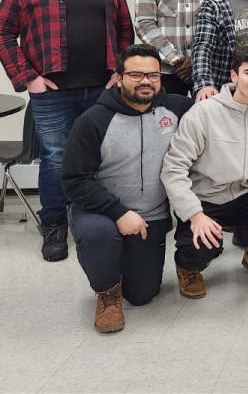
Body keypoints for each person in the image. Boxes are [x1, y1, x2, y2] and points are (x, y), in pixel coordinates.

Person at [0, 0, 134, 262]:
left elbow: (125, 29)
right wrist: (29, 78)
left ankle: (99, 218)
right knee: (56, 158)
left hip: (102, 90)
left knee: (103, 157)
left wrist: (118, 72)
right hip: (52, 94)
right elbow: (3, 33)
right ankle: (54, 224)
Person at [60, 44, 193, 333]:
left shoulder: (178, 108)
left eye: (153, 75)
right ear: (119, 78)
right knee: (99, 235)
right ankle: (107, 294)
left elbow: (223, 109)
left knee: (143, 295)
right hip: (99, 211)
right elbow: (74, 180)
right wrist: (119, 212)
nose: (146, 81)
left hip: (150, 215)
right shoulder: (93, 121)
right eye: (136, 75)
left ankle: (121, 264)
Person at [162, 46, 248, 299]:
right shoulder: (204, 112)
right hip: (207, 198)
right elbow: (174, 168)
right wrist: (195, 215)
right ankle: (188, 267)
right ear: (234, 76)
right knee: (201, 248)